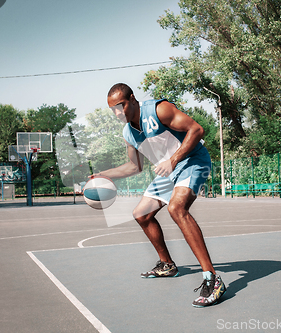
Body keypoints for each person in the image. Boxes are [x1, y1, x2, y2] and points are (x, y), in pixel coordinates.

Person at [91, 83, 226, 307]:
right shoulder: (128, 133)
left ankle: (212, 279)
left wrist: (172, 160)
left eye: (120, 106)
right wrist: (102, 175)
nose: (117, 113)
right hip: (168, 170)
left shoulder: (158, 110)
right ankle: (167, 264)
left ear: (132, 99)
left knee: (176, 208)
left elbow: (197, 130)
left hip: (192, 161)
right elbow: (134, 167)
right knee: (141, 214)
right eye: (113, 109)